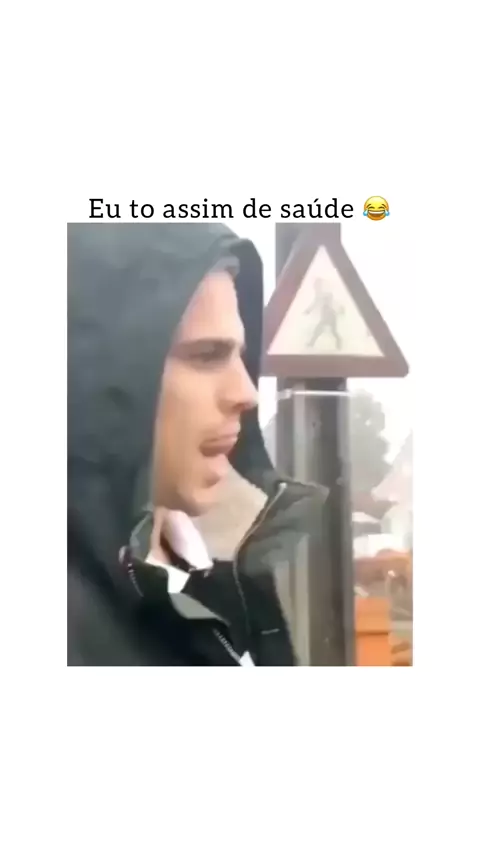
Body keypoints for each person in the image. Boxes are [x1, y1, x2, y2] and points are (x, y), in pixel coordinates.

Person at [68, 223, 326, 666]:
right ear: (96, 377)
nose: (247, 393)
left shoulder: (212, 571)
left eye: (242, 357)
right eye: (207, 356)